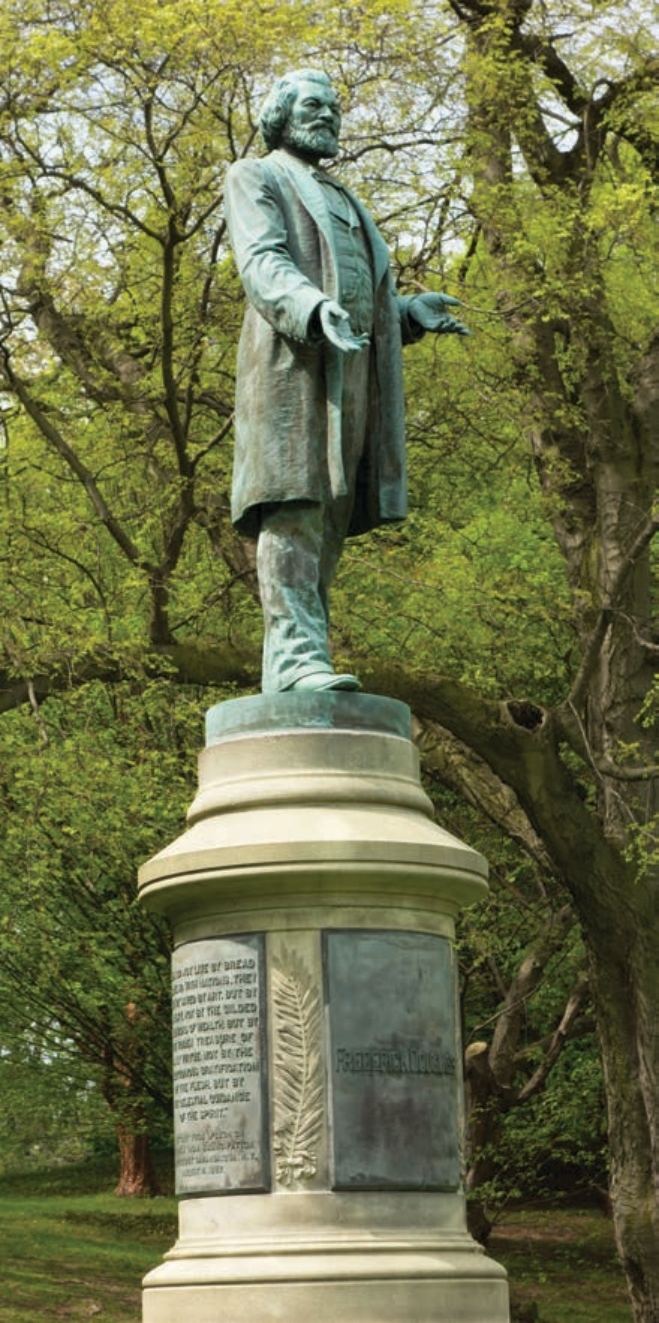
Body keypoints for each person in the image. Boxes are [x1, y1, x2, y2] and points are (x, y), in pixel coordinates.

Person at [224, 69, 469, 693]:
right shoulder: (257, 175)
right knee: (293, 507)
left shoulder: (342, 196)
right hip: (288, 373)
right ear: (281, 114)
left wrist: (408, 313)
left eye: (334, 107)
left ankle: (303, 658)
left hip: (349, 378)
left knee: (329, 516)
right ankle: (296, 660)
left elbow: (359, 292)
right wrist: (308, 306)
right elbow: (262, 261)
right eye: (313, 105)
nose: (328, 115)